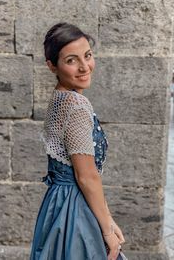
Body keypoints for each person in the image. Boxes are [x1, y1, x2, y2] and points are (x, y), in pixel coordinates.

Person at [30, 22, 126, 260]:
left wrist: (108, 217)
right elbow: (86, 176)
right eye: (71, 60)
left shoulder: (59, 98)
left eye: (88, 56)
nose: (85, 67)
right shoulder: (76, 105)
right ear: (52, 66)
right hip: (74, 207)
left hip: (57, 203)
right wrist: (107, 229)